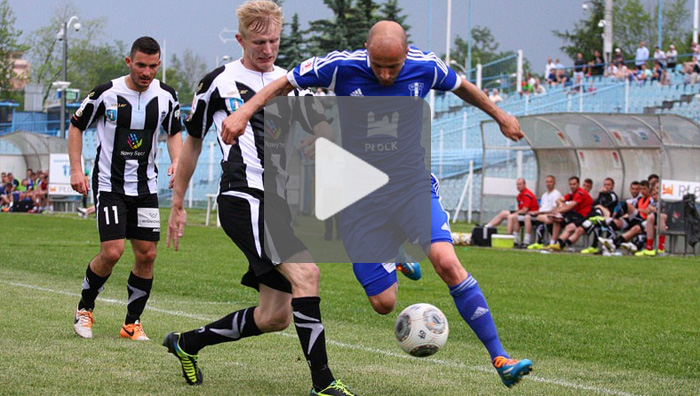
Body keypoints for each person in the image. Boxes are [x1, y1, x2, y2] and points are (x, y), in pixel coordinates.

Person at [221, 20, 533, 389]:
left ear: (406, 54)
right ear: (366, 48)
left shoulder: (426, 65)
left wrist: (501, 115)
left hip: (411, 187)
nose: (385, 75)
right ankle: (396, 252)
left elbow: (463, 87)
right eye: (378, 65)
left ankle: (500, 357)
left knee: (447, 262)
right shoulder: (340, 64)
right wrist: (243, 112)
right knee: (384, 303)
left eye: (394, 67)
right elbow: (285, 82)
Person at [163, 2, 356, 395]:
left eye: (273, 40)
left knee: (274, 317)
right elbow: (193, 146)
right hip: (243, 198)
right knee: (307, 274)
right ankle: (323, 383)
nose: (267, 49)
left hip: (280, 203)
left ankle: (186, 343)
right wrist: (178, 204)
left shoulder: (290, 80)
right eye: (258, 42)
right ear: (240, 40)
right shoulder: (218, 82)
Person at [68, 37, 183, 342]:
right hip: (110, 185)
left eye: (153, 66)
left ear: (159, 65)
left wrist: (177, 162)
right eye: (141, 65)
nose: (147, 72)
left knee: (147, 254)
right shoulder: (106, 93)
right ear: (129, 62)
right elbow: (76, 125)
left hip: (145, 187)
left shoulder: (166, 97)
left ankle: (132, 324)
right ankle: (85, 309)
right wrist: (77, 169)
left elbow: (174, 133)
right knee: (113, 251)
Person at [484, 178, 538, 248]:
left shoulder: (527, 194)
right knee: (504, 213)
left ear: (524, 185)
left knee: (511, 217)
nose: (518, 186)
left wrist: (515, 213)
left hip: (530, 215)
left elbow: (525, 210)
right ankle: (487, 226)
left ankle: (510, 237)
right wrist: (516, 212)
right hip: (523, 214)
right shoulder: (519, 195)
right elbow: (521, 209)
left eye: (520, 184)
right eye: (517, 184)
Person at [544, 176, 593, 251]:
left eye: (574, 184)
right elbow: (559, 200)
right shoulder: (573, 193)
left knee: (570, 227)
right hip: (575, 214)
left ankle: (559, 244)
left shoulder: (580, 193)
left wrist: (558, 210)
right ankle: (553, 243)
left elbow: (570, 206)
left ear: (578, 184)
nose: (572, 186)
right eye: (570, 184)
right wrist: (561, 205)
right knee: (556, 220)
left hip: (583, 216)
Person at [525, 175, 562, 250]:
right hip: (542, 214)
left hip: (550, 215)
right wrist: (536, 212)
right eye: (547, 182)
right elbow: (541, 207)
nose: (548, 183)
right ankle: (526, 241)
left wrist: (541, 213)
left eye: (550, 182)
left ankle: (542, 241)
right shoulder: (544, 195)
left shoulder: (556, 194)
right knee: (527, 217)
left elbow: (555, 209)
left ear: (554, 183)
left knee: (540, 217)